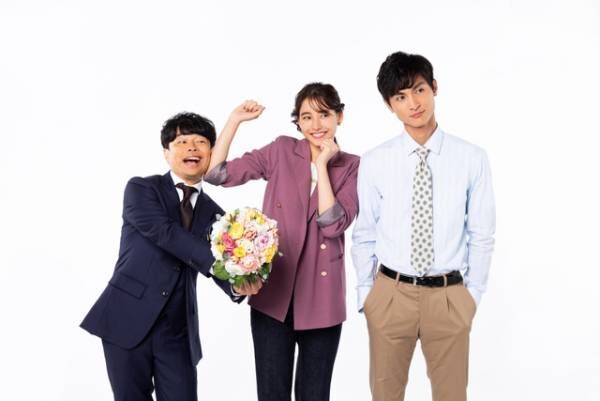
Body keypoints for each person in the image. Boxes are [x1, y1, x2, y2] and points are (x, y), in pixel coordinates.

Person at [80, 112, 261, 401]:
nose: (192, 147)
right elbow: (165, 233)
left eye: (200, 141)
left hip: (177, 331)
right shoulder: (142, 189)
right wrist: (223, 265)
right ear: (166, 152)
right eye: (182, 141)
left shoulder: (217, 216)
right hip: (127, 318)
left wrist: (238, 284)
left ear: (211, 152)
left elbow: (224, 262)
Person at [351, 51, 496, 401]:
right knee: (386, 395)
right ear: (390, 105)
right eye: (400, 97)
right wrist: (368, 295)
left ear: (434, 88)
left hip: (448, 296)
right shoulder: (375, 161)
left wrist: (471, 297)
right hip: (390, 293)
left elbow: (482, 233)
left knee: (451, 395)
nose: (413, 104)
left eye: (419, 90)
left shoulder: (471, 158)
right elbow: (364, 233)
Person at [204, 82, 360, 401]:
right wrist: (234, 120)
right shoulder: (281, 150)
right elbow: (216, 175)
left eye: (324, 114)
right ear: (297, 122)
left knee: (314, 395)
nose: (315, 125)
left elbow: (333, 224)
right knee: (271, 394)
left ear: (339, 116)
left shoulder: (352, 166)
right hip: (274, 294)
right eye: (306, 117)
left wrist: (321, 166)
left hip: (322, 299)